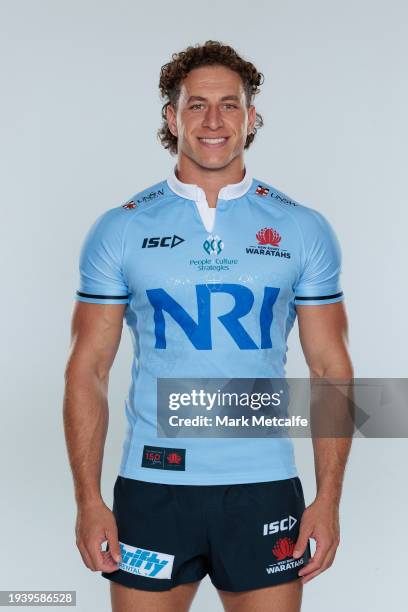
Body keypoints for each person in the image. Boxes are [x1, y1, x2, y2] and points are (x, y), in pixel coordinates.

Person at [63, 40, 353, 612]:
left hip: (264, 485)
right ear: (172, 118)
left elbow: (330, 368)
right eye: (196, 105)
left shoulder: (302, 229)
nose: (214, 120)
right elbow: (88, 370)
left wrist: (328, 499)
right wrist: (89, 500)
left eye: (230, 105)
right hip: (153, 486)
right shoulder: (119, 229)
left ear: (251, 118)